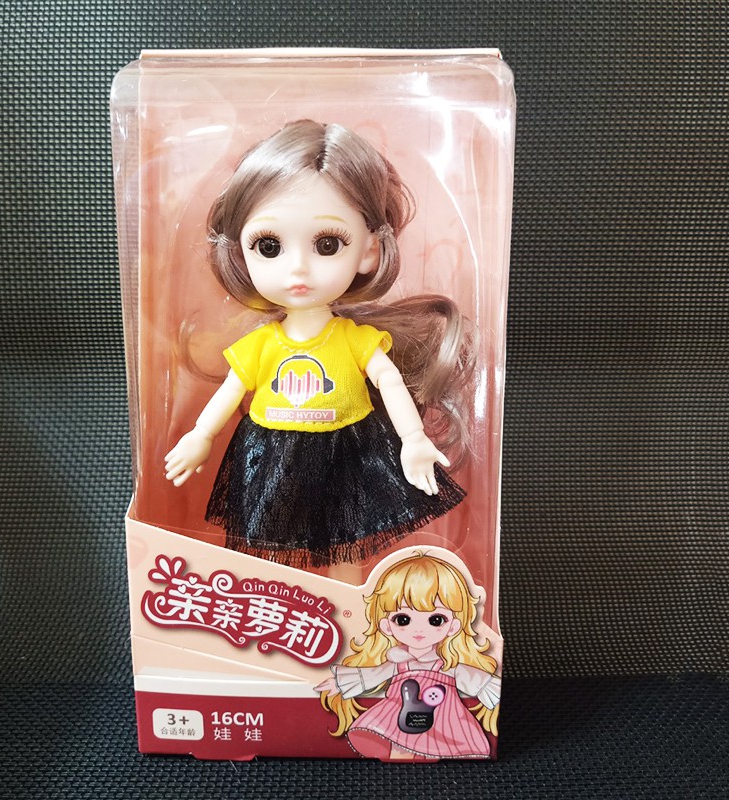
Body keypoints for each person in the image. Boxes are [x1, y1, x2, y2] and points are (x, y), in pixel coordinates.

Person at [164, 120, 474, 567]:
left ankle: (345, 610)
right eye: (269, 246)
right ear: (240, 254)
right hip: (274, 454)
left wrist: (413, 438)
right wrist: (200, 435)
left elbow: (388, 380)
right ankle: (288, 606)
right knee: (277, 552)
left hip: (348, 448)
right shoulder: (262, 343)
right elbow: (232, 389)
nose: (298, 269)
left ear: (368, 251)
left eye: (327, 244)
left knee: (346, 545)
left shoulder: (353, 339)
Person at [314, 552, 500, 760]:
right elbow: (371, 675)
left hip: (444, 721)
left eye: (436, 620)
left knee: (434, 752)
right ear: (386, 625)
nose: (419, 630)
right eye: (403, 619)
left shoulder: (448, 666)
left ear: (453, 625)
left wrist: (493, 691)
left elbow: (477, 681)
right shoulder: (398, 663)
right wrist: (338, 684)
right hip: (398, 717)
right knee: (399, 748)